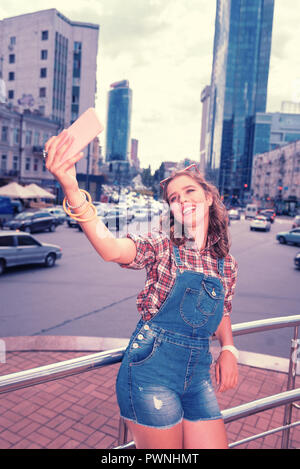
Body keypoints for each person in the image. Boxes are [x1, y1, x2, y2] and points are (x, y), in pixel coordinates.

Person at [44, 131, 239, 449]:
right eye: (174, 198)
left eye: (189, 191)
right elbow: (110, 248)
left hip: (199, 374)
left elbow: (223, 310)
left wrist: (229, 349)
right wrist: (71, 187)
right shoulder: (163, 244)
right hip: (152, 370)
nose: (181, 200)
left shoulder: (226, 264)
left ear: (208, 198)